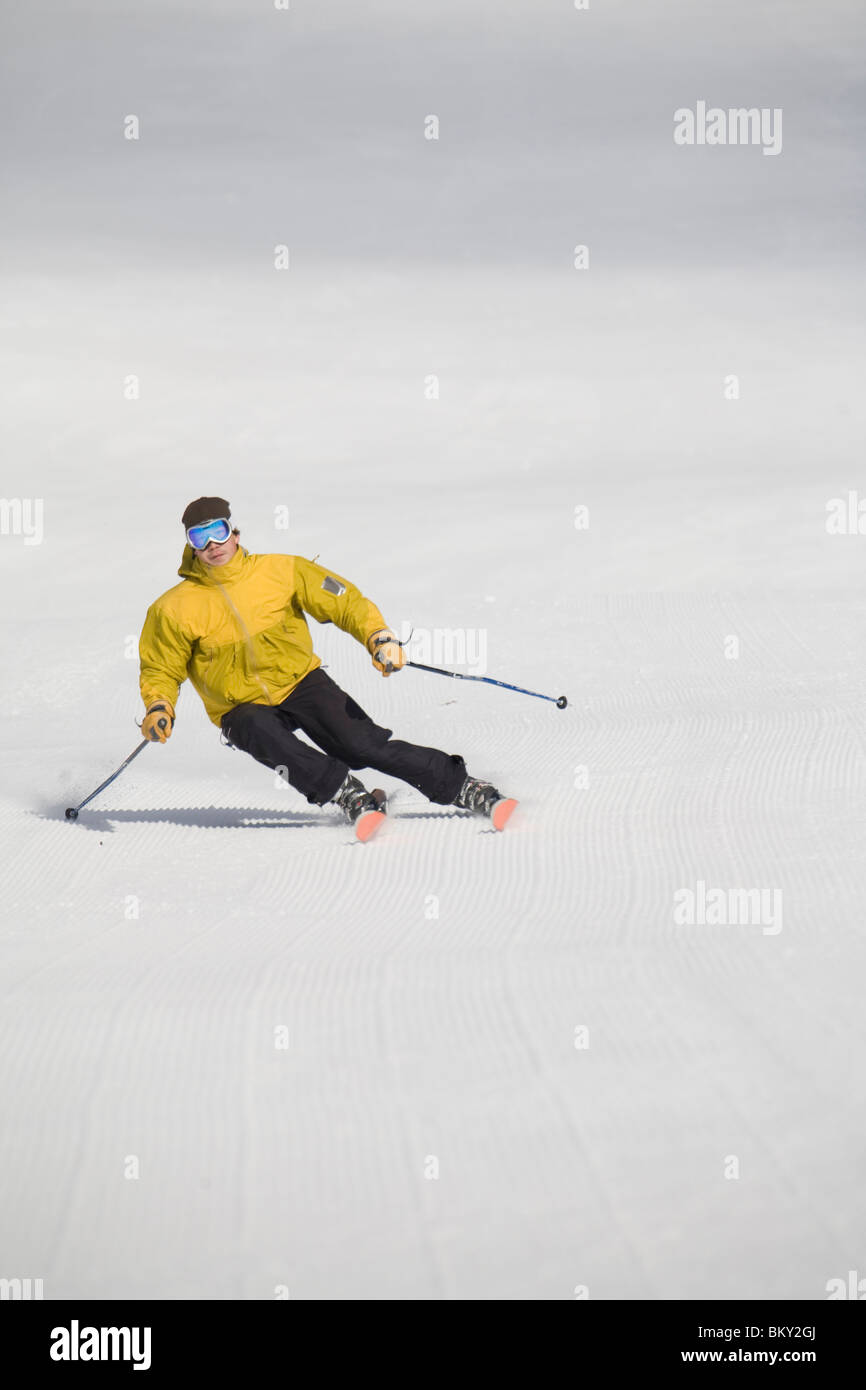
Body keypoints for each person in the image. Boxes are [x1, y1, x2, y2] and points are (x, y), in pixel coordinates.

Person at [137, 497, 517, 839]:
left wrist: (378, 637)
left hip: (300, 681)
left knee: (361, 745)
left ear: (234, 532)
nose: (212, 545)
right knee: (259, 730)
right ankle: (348, 795)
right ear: (189, 545)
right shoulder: (173, 608)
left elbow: (344, 602)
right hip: (239, 705)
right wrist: (159, 705)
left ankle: (466, 788)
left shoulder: (282, 571)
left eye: (217, 532)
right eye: (199, 537)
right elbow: (160, 666)